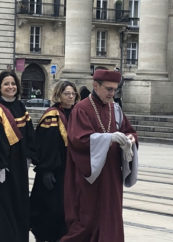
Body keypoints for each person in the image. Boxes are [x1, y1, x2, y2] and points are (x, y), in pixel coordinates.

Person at [61, 69, 138, 242]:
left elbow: (129, 131)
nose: (112, 94)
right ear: (95, 86)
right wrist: (108, 138)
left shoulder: (115, 109)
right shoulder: (81, 109)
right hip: (89, 177)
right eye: (109, 89)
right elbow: (79, 140)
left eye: (115, 90)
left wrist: (130, 140)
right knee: (87, 221)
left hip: (111, 176)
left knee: (111, 218)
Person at [0, 70, 36, 242]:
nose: (11, 87)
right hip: (1, 169)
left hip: (20, 167)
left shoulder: (21, 107)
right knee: (3, 209)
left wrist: (30, 156)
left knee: (20, 206)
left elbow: (29, 135)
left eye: (13, 83)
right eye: (6, 84)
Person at [30, 81, 79, 242]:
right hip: (53, 170)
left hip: (71, 170)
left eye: (73, 94)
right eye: (67, 93)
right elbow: (45, 145)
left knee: (68, 208)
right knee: (51, 208)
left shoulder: (77, 114)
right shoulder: (52, 115)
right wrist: (46, 170)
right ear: (59, 95)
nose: (70, 97)